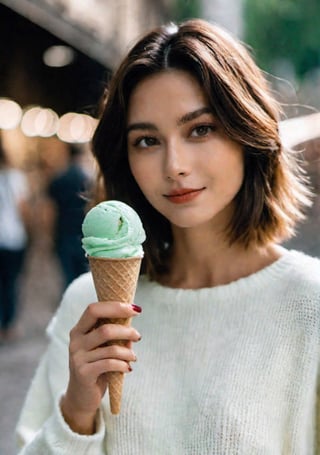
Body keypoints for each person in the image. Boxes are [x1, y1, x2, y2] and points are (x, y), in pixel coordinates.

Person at [16, 19, 320, 454]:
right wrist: (76, 412)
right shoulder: (88, 307)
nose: (173, 164)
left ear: (247, 133)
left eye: (200, 129)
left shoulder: (311, 305)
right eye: (146, 141)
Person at [46, 144, 91, 289]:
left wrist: (49, 235)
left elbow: (50, 211)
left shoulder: (59, 179)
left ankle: (70, 306)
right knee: (83, 277)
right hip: (84, 235)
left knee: (68, 278)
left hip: (63, 233)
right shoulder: (88, 180)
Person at [0, 138, 31, 342]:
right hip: (13, 238)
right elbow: (22, 209)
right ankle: (7, 325)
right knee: (10, 282)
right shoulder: (16, 177)